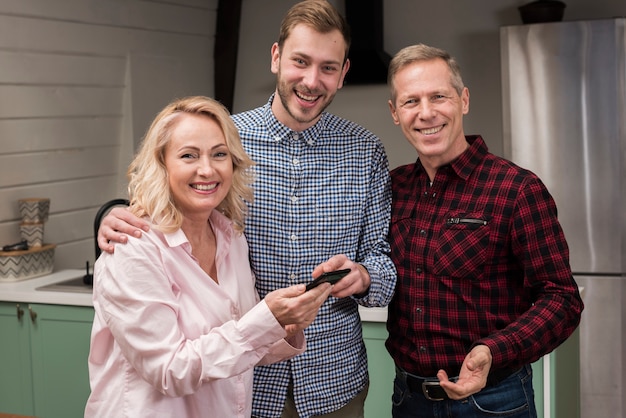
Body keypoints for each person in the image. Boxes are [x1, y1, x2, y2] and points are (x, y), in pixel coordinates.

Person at [96, 2, 397, 417]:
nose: (312, 81)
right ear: (276, 57)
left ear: (344, 73)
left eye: (328, 67)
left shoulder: (364, 151)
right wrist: (110, 213)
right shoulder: (222, 140)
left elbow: (382, 257)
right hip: (236, 386)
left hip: (335, 378)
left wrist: (365, 276)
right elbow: (159, 201)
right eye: (300, 61)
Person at [85, 96, 333, 417]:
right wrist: (263, 320)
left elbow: (239, 341)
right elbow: (169, 369)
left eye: (219, 154)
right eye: (189, 155)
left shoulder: (230, 236)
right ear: (161, 165)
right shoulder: (133, 247)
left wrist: (284, 322)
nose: (207, 169)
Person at [385, 43, 584, 417]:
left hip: (493, 402)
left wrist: (494, 351)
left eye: (438, 96)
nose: (426, 113)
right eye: (411, 102)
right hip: (407, 398)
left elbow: (562, 299)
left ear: (463, 100)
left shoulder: (517, 189)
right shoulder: (392, 188)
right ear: (395, 113)